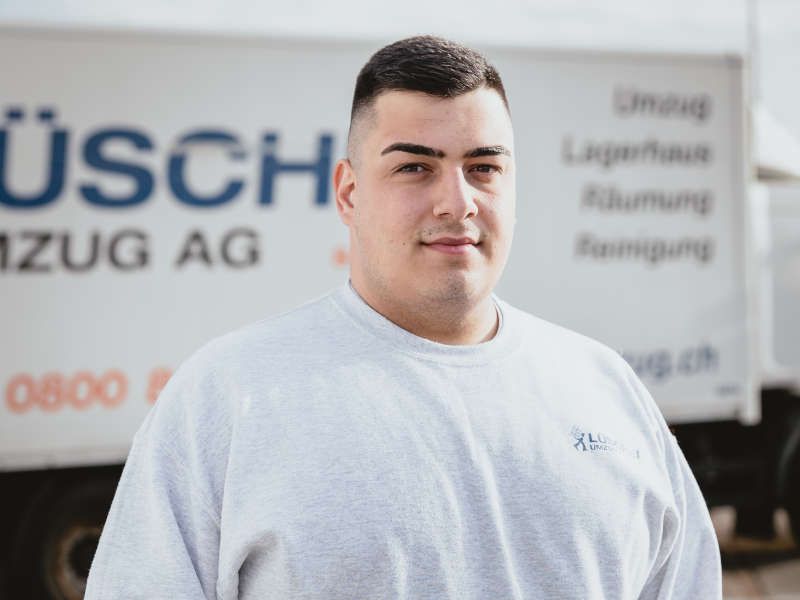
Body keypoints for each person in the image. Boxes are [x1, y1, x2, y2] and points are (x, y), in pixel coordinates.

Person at [85, 35, 722, 599]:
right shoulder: (228, 396)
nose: (457, 202)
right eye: (415, 167)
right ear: (349, 192)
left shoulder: (604, 387)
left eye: (484, 167)